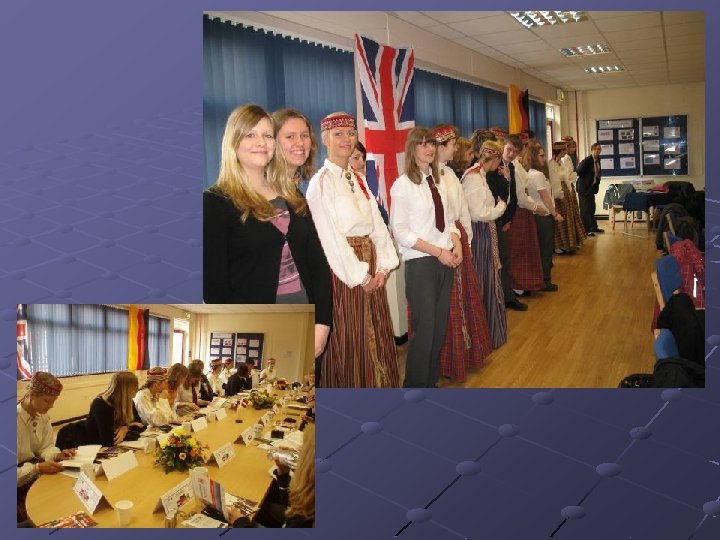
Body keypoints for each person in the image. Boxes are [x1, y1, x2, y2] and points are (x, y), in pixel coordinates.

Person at [203, 104, 332, 358]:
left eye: (267, 135)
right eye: (250, 134)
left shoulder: (291, 194)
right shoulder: (215, 202)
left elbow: (317, 262)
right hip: (260, 323)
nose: (261, 142)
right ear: (233, 142)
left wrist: (323, 322)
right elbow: (216, 289)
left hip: (307, 315)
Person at [306, 112, 400, 388]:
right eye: (338, 134)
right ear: (325, 139)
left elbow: (377, 225)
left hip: (371, 266)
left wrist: (383, 267)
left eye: (350, 133)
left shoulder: (357, 178)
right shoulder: (321, 182)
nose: (346, 139)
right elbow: (330, 239)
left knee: (376, 331)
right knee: (352, 336)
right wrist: (361, 276)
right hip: (345, 272)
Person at [391, 126, 462, 387]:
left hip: (444, 260)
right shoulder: (403, 185)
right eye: (422, 144)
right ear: (412, 149)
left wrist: (456, 243)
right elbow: (401, 232)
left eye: (431, 143)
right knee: (425, 331)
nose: (429, 148)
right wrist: (439, 252)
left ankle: (429, 383)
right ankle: (414, 387)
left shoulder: (436, 181)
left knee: (438, 329)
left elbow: (448, 220)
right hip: (422, 263)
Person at [433, 124, 492, 382]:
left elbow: (463, 211)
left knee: (465, 298)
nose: (456, 148)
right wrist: (453, 242)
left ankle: (467, 353)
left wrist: (466, 241)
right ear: (441, 146)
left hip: (459, 238)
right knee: (448, 303)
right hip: (445, 241)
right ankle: (449, 360)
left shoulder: (449, 174)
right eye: (453, 144)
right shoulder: (431, 176)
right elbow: (441, 216)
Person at [462, 140, 508, 349]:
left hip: (484, 232)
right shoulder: (474, 178)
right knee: (485, 281)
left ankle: (490, 334)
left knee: (489, 280)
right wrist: (501, 207)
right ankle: (485, 335)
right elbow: (478, 213)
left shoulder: (479, 175)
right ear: (495, 159)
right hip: (480, 235)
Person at [229, 424, 315, 528]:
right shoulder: (311, 496)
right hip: (291, 515)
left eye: (304, 448)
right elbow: (294, 503)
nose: (299, 451)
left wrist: (240, 523)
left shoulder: (305, 521)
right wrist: (284, 472)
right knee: (262, 507)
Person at [17, 372, 75, 524]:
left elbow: (46, 447)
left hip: (32, 474)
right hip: (17, 485)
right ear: (31, 394)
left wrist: (56, 455)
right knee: (41, 517)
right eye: (46, 401)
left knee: (65, 499)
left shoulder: (42, 417)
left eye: (53, 401)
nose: (51, 406)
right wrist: (36, 468)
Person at [486, 134, 527, 311]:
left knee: (504, 258)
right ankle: (505, 297)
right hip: (493, 218)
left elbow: (513, 196)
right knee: (501, 259)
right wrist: (506, 179)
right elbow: (494, 193)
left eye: (515, 152)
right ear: (503, 146)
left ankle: (505, 295)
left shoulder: (511, 166)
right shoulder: (494, 166)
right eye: (509, 149)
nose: (511, 154)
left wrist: (509, 219)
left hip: (504, 219)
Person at [521, 142, 563, 291]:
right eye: (541, 155)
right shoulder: (537, 175)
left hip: (537, 215)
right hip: (544, 215)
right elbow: (545, 197)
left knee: (541, 249)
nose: (544, 158)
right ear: (534, 157)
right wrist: (555, 214)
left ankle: (540, 279)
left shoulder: (530, 173)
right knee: (546, 249)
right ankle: (545, 280)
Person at [82, 371, 144, 447]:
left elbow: (141, 426)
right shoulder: (101, 404)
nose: (137, 390)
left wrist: (125, 428)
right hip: (87, 446)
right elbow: (108, 440)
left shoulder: (128, 402)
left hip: (107, 446)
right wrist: (130, 426)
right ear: (126, 389)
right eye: (135, 387)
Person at [272, 108, 317, 196]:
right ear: (272, 142)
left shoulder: (293, 190)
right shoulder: (267, 192)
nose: (300, 142)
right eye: (290, 136)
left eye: (304, 135)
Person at [576, 142, 604, 235]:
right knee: (585, 210)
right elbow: (579, 170)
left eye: (599, 149)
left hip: (591, 188)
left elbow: (597, 173)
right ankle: (585, 230)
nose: (598, 151)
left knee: (592, 208)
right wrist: (586, 178)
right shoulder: (588, 160)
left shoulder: (598, 159)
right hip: (583, 188)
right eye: (596, 149)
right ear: (592, 150)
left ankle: (593, 227)